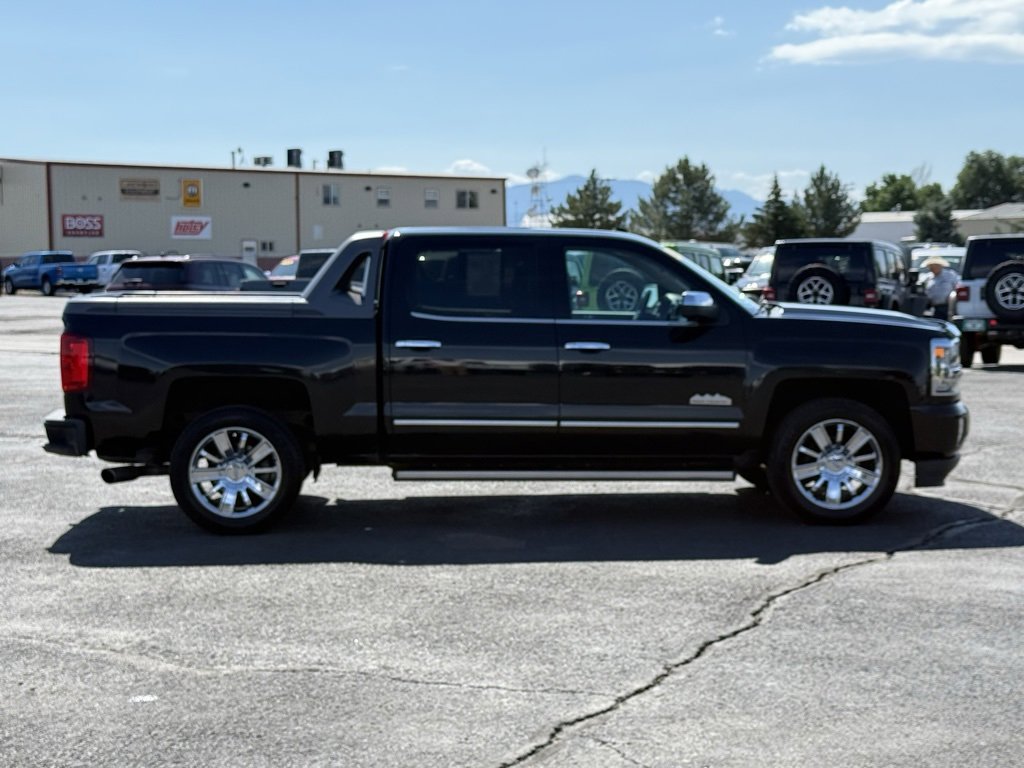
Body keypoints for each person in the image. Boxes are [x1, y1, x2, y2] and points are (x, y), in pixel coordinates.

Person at [921, 255, 958, 321]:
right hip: (933, 307)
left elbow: (957, 287)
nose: (933, 267)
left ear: (940, 266)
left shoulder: (950, 275)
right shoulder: (927, 278)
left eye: (935, 265)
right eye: (931, 266)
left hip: (947, 306)